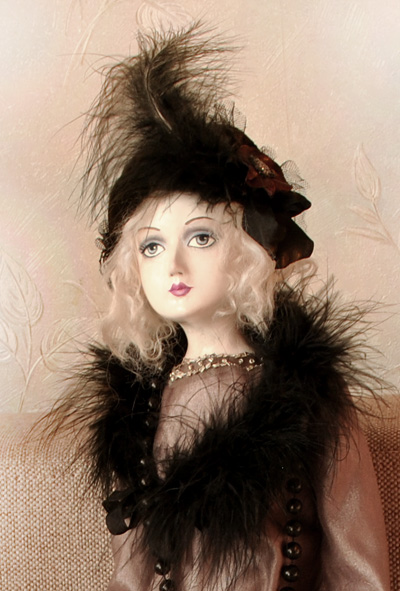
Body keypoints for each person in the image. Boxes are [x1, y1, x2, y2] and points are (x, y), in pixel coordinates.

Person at [53, 24, 390, 591]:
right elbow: (132, 575)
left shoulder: (307, 395)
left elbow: (357, 561)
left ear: (246, 248)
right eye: (151, 246)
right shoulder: (140, 412)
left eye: (201, 237)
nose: (173, 265)